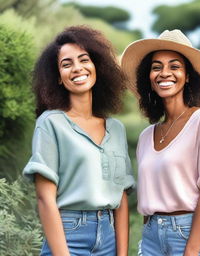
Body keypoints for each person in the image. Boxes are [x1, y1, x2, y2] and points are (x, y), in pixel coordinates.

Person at [23, 25, 135, 256]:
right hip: (68, 235)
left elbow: (121, 198)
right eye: (66, 64)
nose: (77, 68)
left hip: (109, 238)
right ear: (58, 79)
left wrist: (122, 254)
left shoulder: (116, 129)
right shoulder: (51, 123)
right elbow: (45, 198)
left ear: (97, 67)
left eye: (84, 60)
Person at [121, 29, 200, 256]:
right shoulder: (146, 136)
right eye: (156, 67)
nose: (164, 73)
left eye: (174, 66)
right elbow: (150, 197)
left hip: (191, 236)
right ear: (148, 78)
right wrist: (146, 242)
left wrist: (190, 251)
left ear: (188, 75)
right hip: (151, 239)